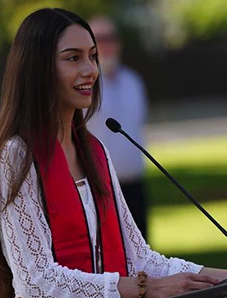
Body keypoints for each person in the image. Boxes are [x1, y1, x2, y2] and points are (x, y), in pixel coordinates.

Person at [0, 8, 227, 298]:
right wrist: (143, 288)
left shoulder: (95, 151)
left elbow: (140, 258)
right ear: (37, 68)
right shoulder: (17, 156)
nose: (91, 69)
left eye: (92, 56)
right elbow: (36, 281)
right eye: (73, 58)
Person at [86, 16, 149, 241]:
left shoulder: (133, 81)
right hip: (99, 187)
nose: (107, 44)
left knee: (144, 255)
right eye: (100, 39)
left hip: (134, 183)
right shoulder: (84, 85)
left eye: (111, 37)